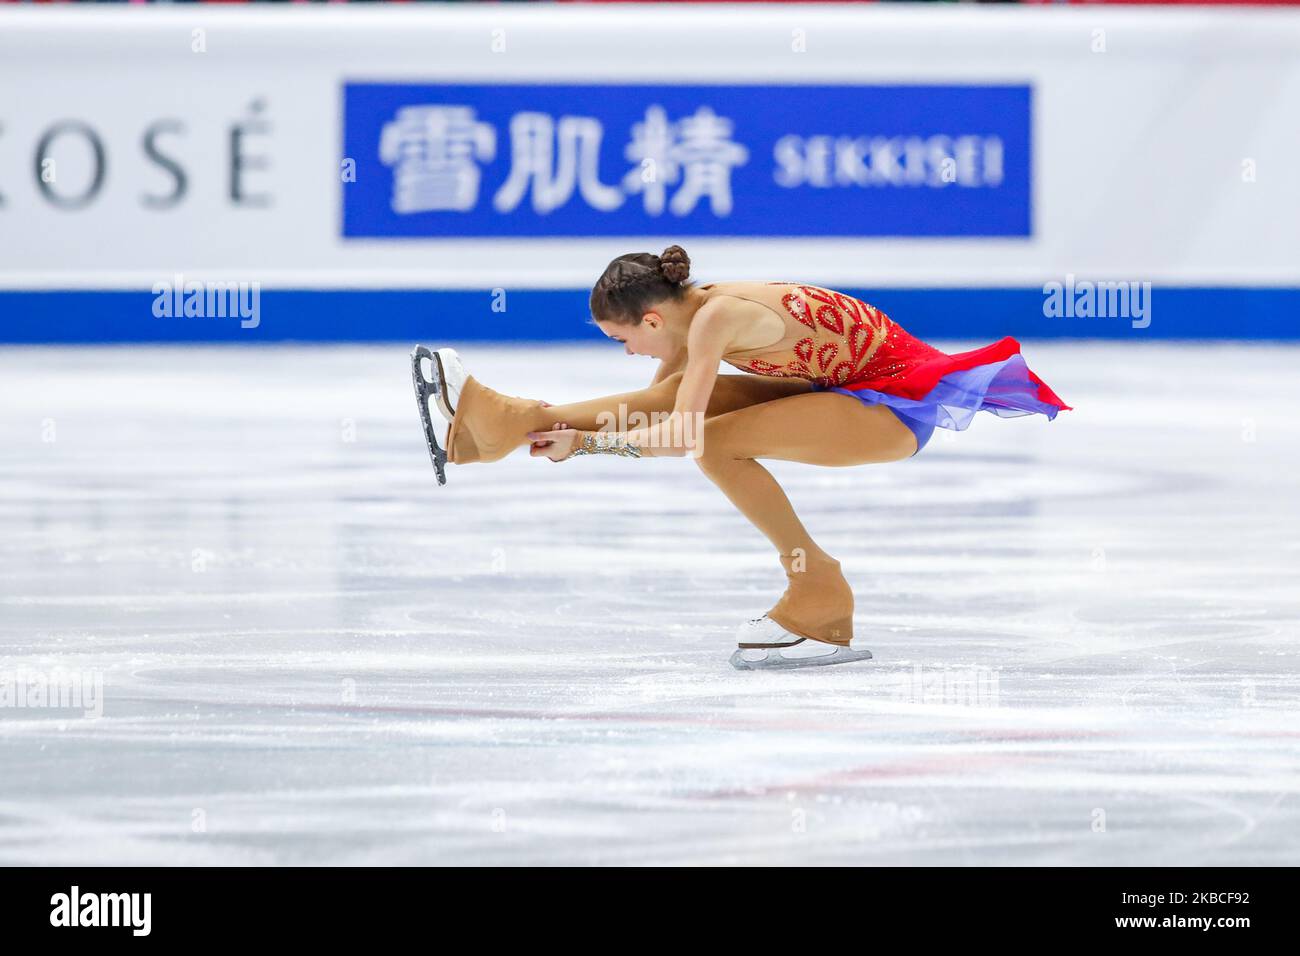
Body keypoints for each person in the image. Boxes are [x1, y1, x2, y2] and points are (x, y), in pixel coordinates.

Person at [412, 245, 1071, 669]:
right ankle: (494, 426)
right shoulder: (696, 311)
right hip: (848, 392)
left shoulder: (714, 321)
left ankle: (820, 592)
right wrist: (550, 427)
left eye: (621, 340)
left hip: (892, 410)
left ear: (650, 321)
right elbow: (661, 406)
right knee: (692, 405)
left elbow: (680, 438)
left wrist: (584, 443)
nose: (627, 352)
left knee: (717, 441)